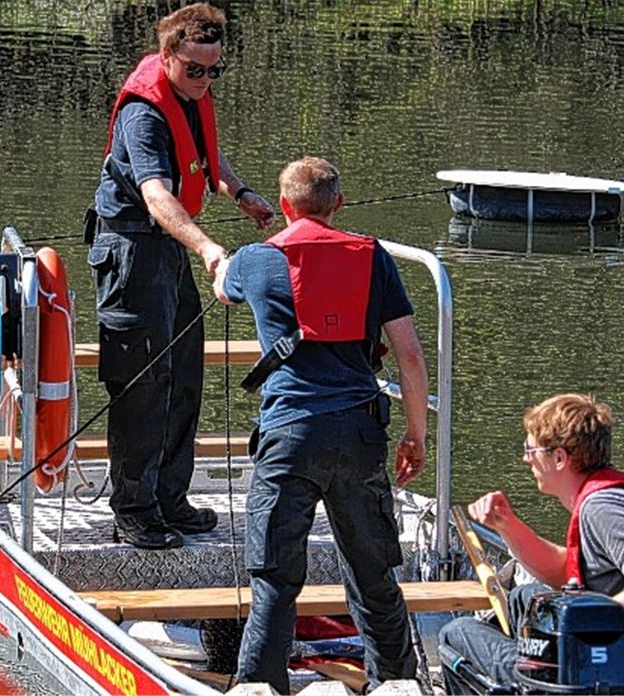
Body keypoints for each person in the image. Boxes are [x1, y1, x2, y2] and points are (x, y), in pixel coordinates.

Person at [213, 156, 429, 693]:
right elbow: (410, 357)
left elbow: (222, 287)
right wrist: (415, 435)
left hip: (289, 433)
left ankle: (260, 684)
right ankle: (397, 683)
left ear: (284, 206)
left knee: (275, 578)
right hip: (359, 431)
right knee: (372, 571)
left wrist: (219, 258)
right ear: (339, 204)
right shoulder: (373, 257)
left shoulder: (257, 260)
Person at [87, 3, 275, 550]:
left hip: (170, 247)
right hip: (131, 250)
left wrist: (240, 195)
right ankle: (134, 509)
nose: (205, 79)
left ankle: (171, 497)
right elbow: (156, 194)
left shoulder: (192, 94)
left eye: (215, 70)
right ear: (168, 55)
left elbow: (206, 158)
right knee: (142, 384)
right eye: (195, 69)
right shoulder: (143, 115)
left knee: (185, 373)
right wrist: (211, 250)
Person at [438, 393, 624, 694]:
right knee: (526, 598)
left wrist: (583, 625)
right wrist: (507, 524)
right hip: (608, 658)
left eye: (530, 449)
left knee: (456, 634)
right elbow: (566, 572)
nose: (525, 459)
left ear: (559, 457)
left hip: (611, 671)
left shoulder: (604, 507)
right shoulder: (600, 499)